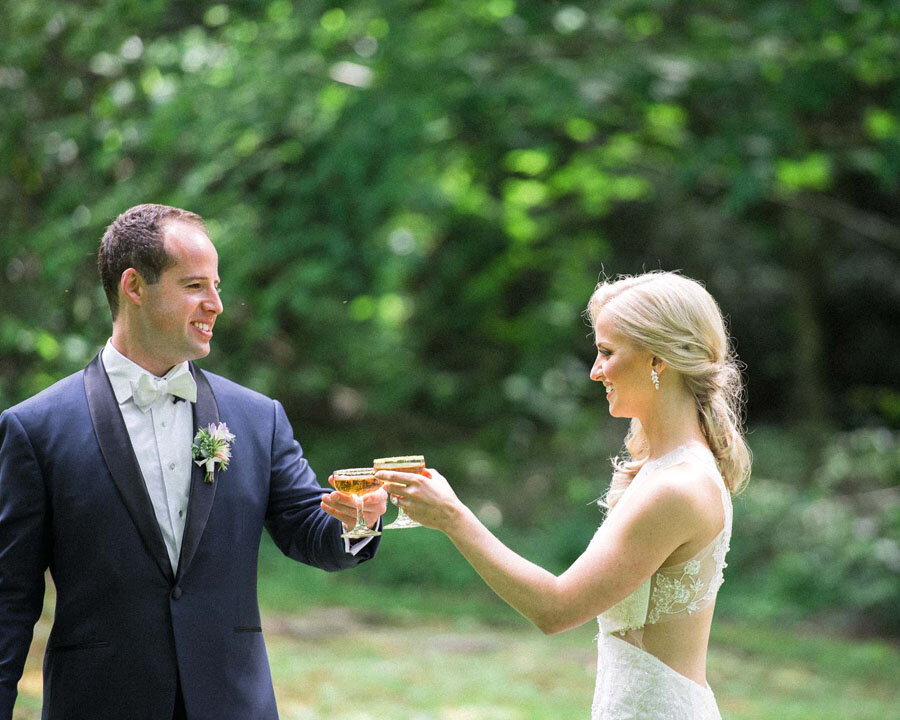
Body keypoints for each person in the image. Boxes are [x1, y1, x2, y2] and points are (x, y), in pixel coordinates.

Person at [0, 204, 387, 720]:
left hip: (233, 703)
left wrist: (358, 519)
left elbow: (307, 531)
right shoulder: (36, 429)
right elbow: (9, 601)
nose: (217, 305)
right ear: (134, 287)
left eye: (217, 286)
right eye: (195, 286)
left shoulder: (257, 418)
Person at [374, 271, 751, 719]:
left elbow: (555, 608)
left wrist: (453, 518)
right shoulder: (669, 467)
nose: (595, 371)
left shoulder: (676, 487)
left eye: (607, 353)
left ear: (658, 361)